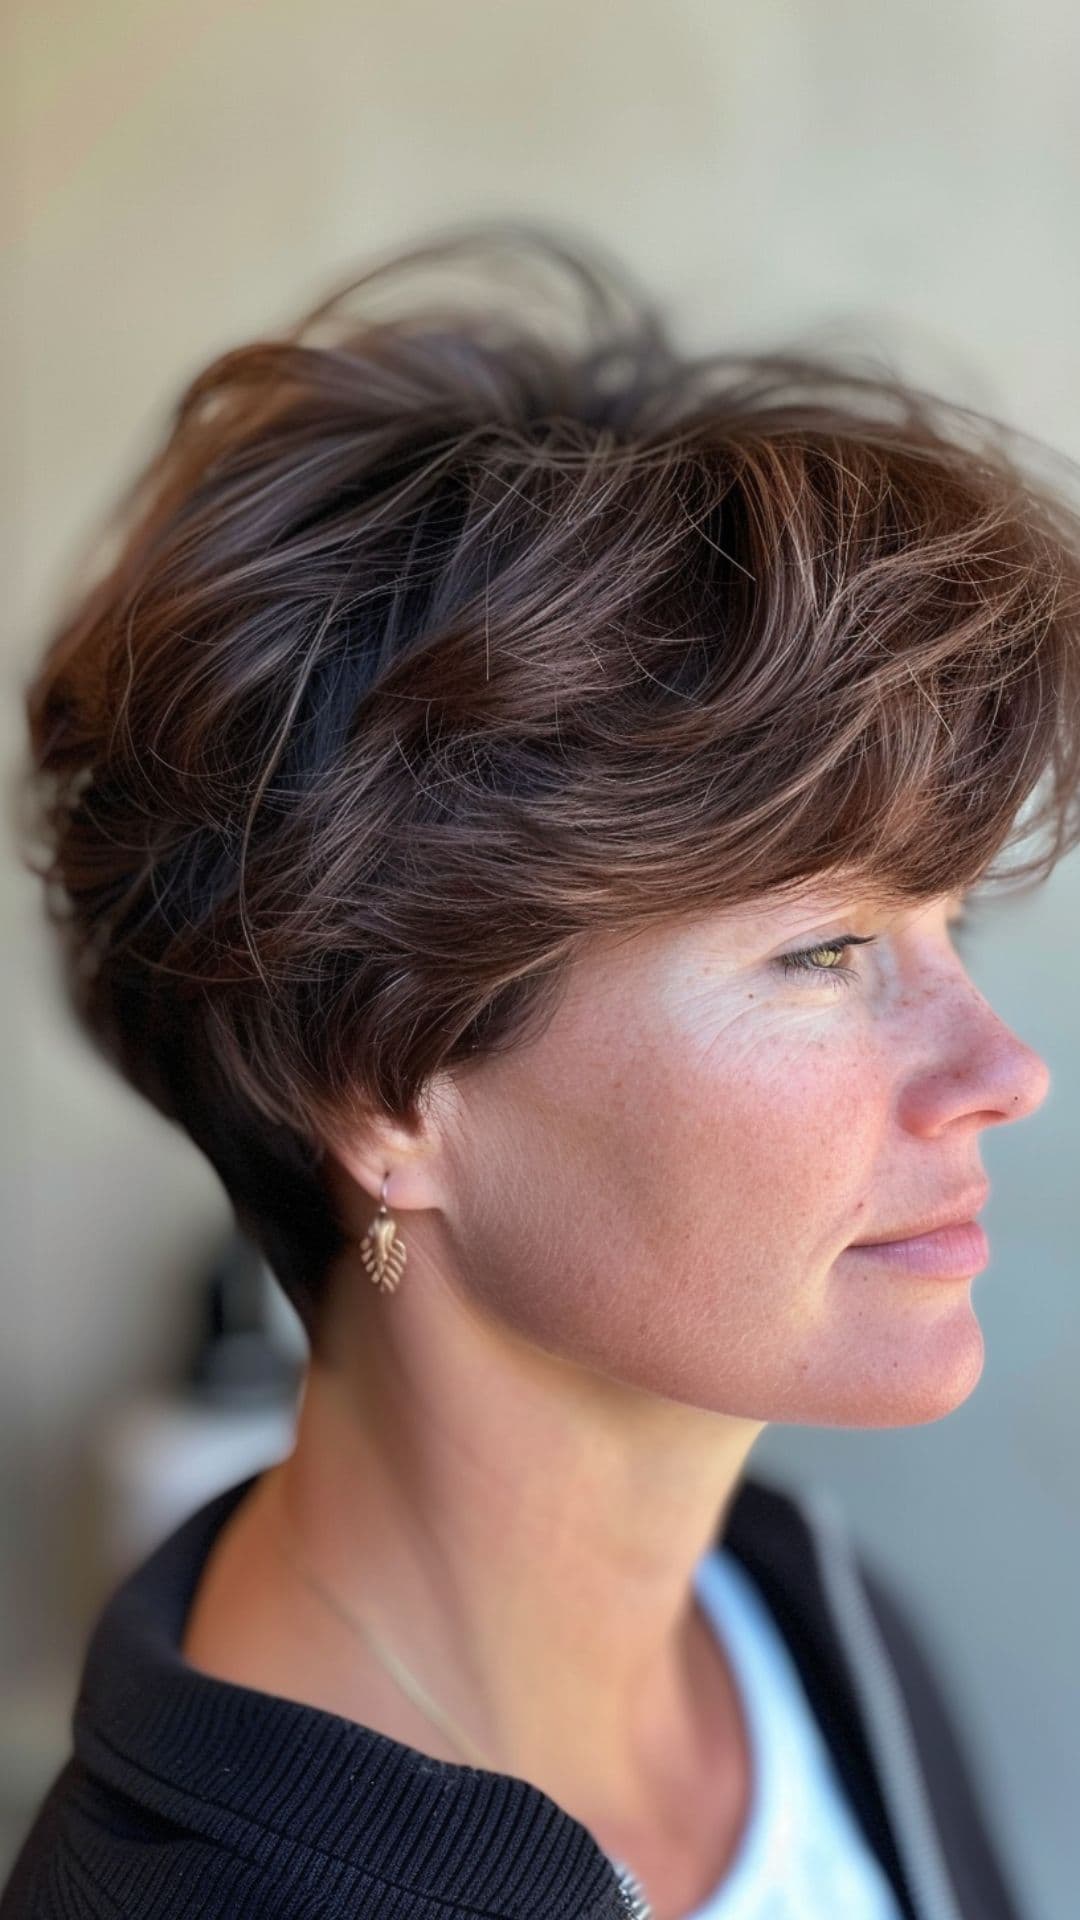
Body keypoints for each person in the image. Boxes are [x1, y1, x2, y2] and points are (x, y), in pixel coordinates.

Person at [5, 219, 1079, 1920]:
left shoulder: (821, 1642)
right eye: (824, 953)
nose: (1002, 1071)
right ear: (386, 1085)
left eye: (943, 927)